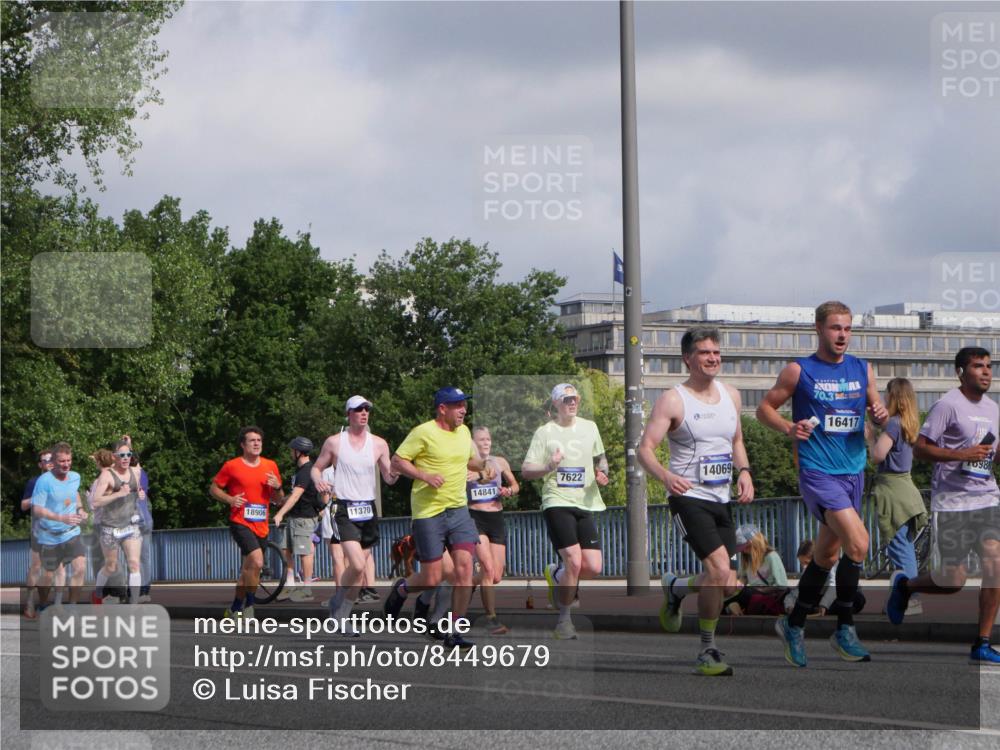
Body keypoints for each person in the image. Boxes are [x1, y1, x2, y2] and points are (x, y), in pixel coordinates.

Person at [757, 300, 888, 667]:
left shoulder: (863, 369)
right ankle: (844, 627)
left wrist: (880, 414)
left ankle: (794, 622)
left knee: (827, 556)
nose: (842, 335)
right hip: (817, 472)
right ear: (818, 329)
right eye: (835, 328)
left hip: (853, 472)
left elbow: (877, 411)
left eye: (847, 328)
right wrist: (788, 428)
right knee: (859, 542)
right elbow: (764, 409)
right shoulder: (799, 371)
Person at [638, 328, 754, 674]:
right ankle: (707, 649)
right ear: (688, 359)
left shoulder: (731, 395)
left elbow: (736, 440)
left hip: (721, 497)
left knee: (727, 581)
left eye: (716, 352)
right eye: (705, 353)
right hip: (687, 497)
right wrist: (665, 476)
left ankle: (676, 588)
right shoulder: (673, 400)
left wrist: (745, 472)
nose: (713, 358)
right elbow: (645, 449)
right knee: (718, 570)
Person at [886, 347, 1000, 664]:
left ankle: (982, 642)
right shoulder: (947, 405)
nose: (986, 372)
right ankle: (906, 586)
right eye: (978, 366)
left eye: (989, 366)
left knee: (996, 567)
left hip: (987, 498)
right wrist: (962, 455)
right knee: (953, 581)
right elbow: (921, 449)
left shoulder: (993, 408)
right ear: (961, 372)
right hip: (952, 502)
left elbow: (993, 453)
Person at [385, 387, 493, 649]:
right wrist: (424, 476)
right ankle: (401, 589)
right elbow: (397, 461)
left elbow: (470, 461)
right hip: (429, 513)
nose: (463, 410)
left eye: (464, 405)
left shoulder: (464, 432)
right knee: (432, 578)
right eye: (457, 405)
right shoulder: (423, 432)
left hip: (458, 511)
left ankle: (454, 631)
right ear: (442, 408)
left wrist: (484, 465)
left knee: (465, 569)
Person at [523, 383, 610, 640]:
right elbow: (526, 470)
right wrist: (549, 466)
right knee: (573, 559)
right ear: (556, 404)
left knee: (592, 567)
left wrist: (602, 472)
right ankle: (564, 621)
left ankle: (557, 574)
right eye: (566, 399)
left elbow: (601, 459)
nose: (572, 403)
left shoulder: (590, 427)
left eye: (575, 399)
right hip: (557, 500)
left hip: (585, 501)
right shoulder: (544, 432)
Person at [315, 396, 397, 634]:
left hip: (367, 509)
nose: (364, 412)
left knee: (359, 570)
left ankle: (341, 612)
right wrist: (319, 481)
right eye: (358, 409)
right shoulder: (334, 442)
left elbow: (389, 478)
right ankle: (339, 604)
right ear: (348, 414)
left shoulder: (379, 444)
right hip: (343, 508)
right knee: (358, 565)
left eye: (367, 409)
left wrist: (400, 470)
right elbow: (317, 468)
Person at [210, 426, 283, 620]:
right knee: (257, 561)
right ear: (243, 445)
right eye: (252, 440)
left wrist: (278, 487)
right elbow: (214, 489)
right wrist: (230, 499)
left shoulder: (270, 465)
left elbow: (278, 500)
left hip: (261, 524)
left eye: (259, 440)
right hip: (240, 521)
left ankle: (234, 608)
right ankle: (250, 607)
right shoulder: (232, 466)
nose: (256, 444)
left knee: (249, 570)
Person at [867, 377, 927, 615]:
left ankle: (911, 599)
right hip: (906, 490)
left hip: (893, 491)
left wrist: (870, 437)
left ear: (894, 397)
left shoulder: (893, 424)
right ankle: (902, 599)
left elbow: (878, 455)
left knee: (900, 548)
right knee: (905, 546)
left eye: (886, 394)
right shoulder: (908, 424)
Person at [467, 425, 519, 635]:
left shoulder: (500, 462)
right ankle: (491, 618)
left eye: (488, 439)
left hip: (496, 518)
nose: (486, 442)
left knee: (496, 576)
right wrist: (477, 476)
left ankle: (468, 583)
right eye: (481, 439)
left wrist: (509, 490)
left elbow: (515, 485)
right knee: (487, 568)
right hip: (475, 518)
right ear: (473, 443)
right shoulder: (467, 465)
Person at [30, 442, 88, 607]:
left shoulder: (75, 477)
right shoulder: (44, 481)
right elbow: (37, 509)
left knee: (80, 568)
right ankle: (43, 604)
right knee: (48, 577)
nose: (66, 464)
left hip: (72, 532)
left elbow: (74, 493)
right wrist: (61, 518)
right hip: (50, 535)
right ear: (53, 462)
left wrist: (80, 509)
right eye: (62, 461)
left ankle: (72, 608)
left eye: (69, 460)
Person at [88, 440, 145, 605]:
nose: (126, 458)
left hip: (130, 525)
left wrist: (140, 493)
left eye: (129, 454)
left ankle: (134, 604)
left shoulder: (135, 472)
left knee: (134, 564)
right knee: (110, 566)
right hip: (110, 528)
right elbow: (95, 502)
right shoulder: (107, 475)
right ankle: (98, 593)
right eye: (122, 455)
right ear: (115, 457)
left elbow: (137, 490)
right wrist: (118, 494)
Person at [273, 436, 323, 602]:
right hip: (295, 517)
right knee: (286, 549)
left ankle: (307, 589)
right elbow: (294, 495)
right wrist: (281, 501)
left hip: (304, 518)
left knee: (304, 553)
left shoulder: (307, 470)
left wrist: (280, 513)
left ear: (298, 452)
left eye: (291, 451)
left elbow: (296, 496)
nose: (290, 453)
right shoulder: (300, 471)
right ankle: (290, 585)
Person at [723, 525, 788, 617]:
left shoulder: (771, 556)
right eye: (741, 548)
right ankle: (730, 607)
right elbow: (743, 578)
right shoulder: (747, 559)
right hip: (751, 595)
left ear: (753, 543)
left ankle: (732, 607)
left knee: (747, 592)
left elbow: (781, 586)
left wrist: (759, 590)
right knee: (722, 601)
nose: (743, 551)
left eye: (745, 547)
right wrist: (736, 585)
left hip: (767, 595)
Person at [21, 449, 54, 618]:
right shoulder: (34, 482)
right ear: (40, 464)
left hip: (55, 531)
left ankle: (43, 603)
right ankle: (29, 602)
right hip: (38, 531)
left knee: (49, 571)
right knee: (35, 567)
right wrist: (37, 497)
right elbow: (23, 506)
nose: (49, 462)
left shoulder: (61, 481)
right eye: (45, 460)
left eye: (51, 459)